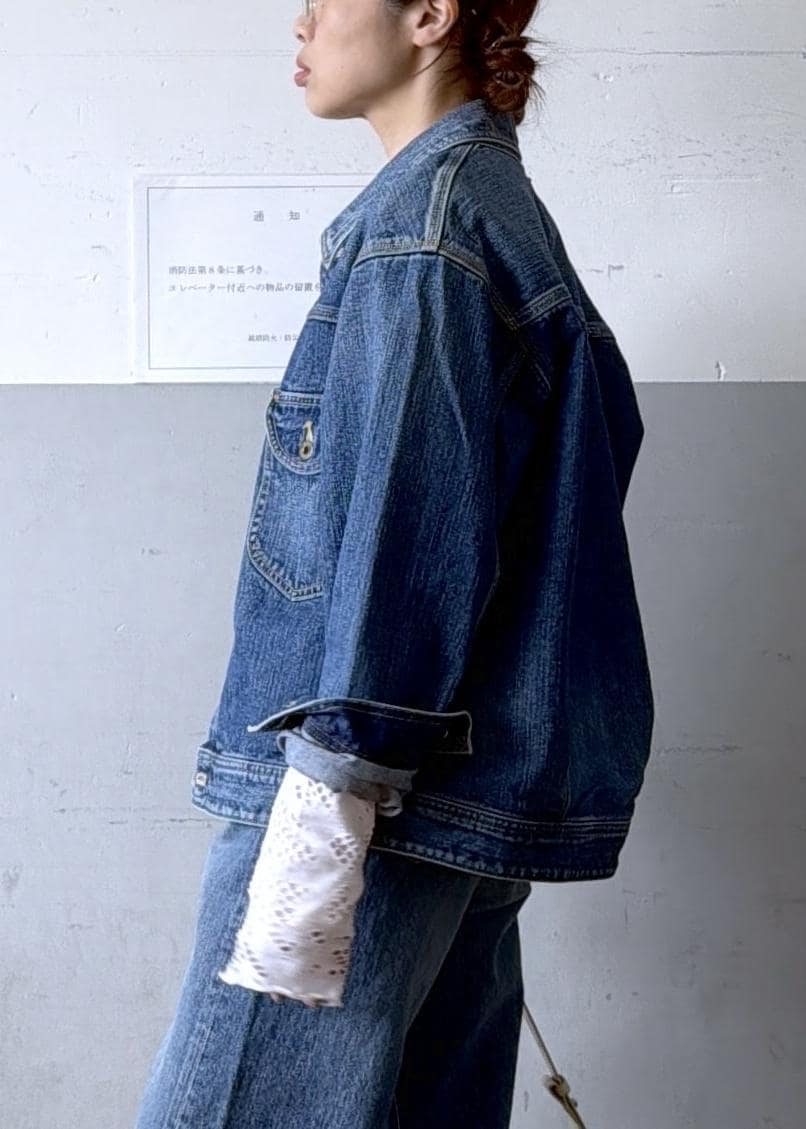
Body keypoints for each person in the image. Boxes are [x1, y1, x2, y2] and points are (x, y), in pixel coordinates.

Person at [134, 0, 655, 1126]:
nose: (301, 19)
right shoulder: (491, 210)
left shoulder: (426, 231)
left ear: (429, 14)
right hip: (454, 797)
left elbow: (402, 542)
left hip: (366, 802)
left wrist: (331, 806)